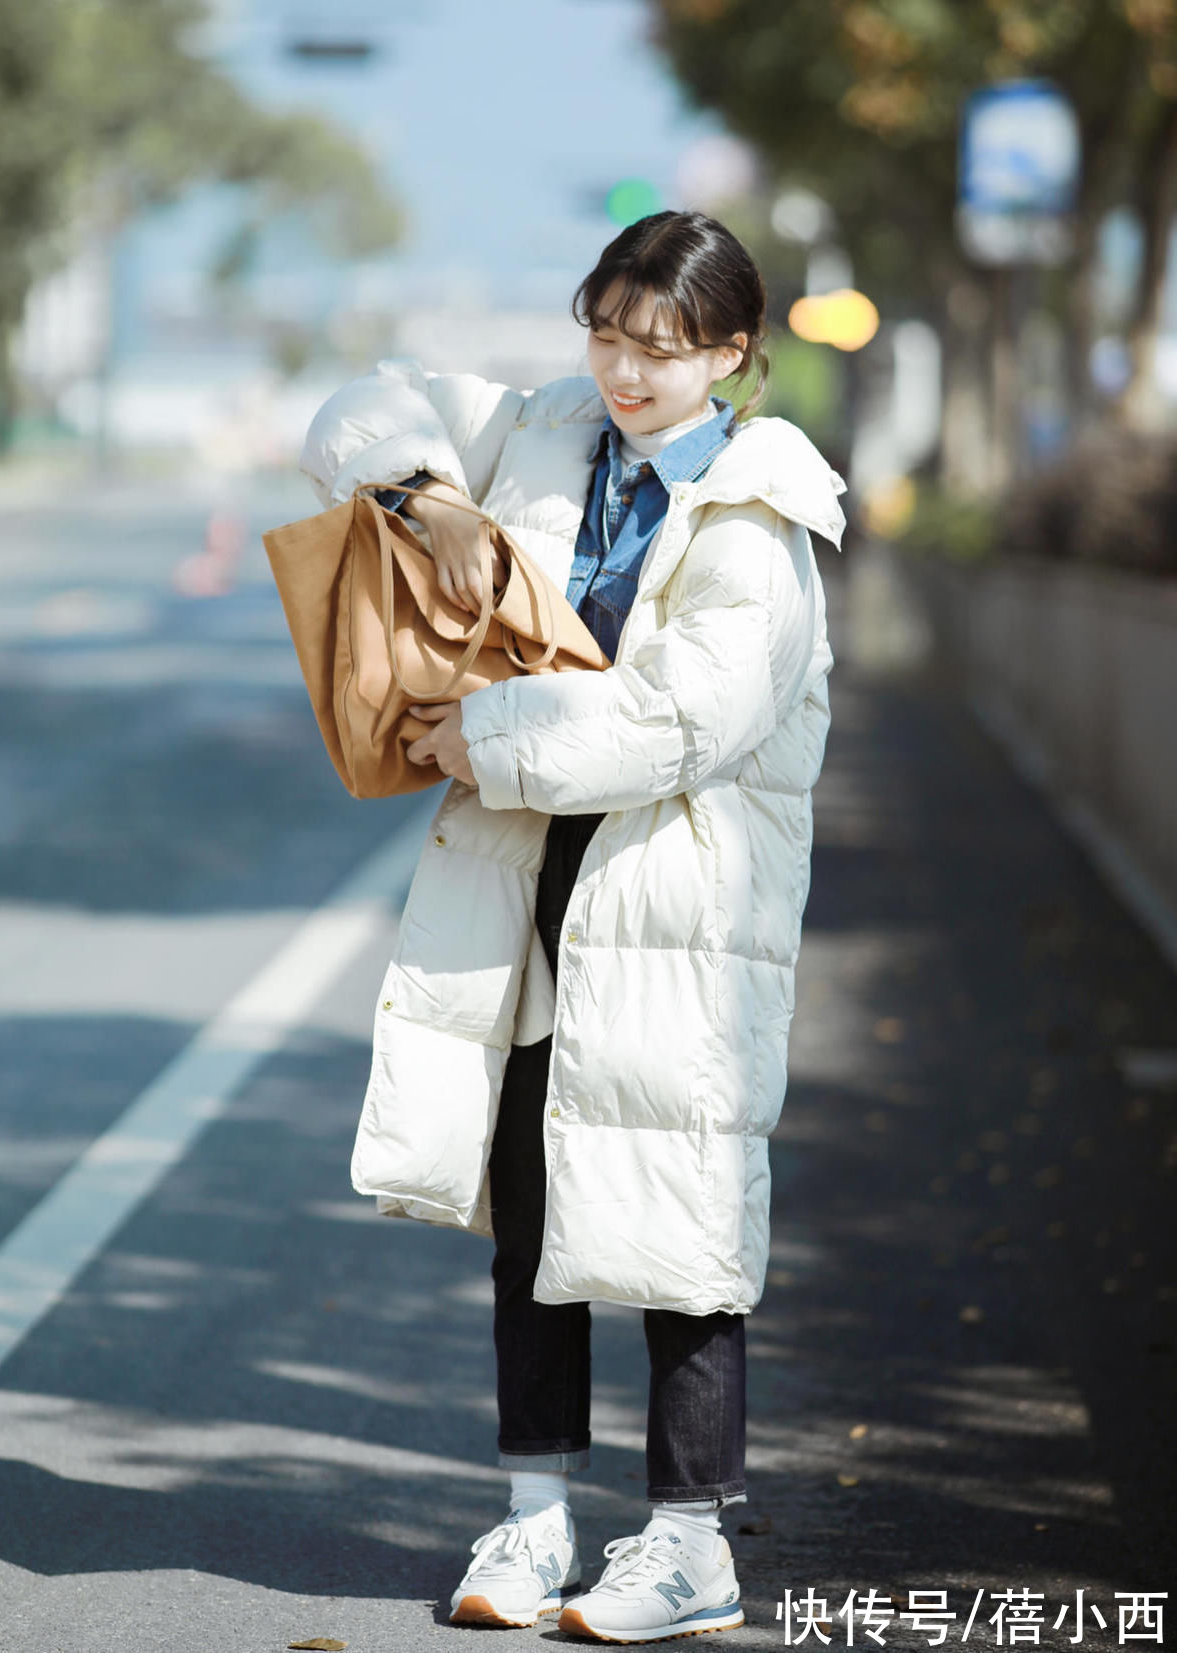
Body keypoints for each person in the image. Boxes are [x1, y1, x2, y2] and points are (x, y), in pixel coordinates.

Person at [299, 210, 846, 1644]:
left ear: (733, 355)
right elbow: (366, 402)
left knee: (681, 1232)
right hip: (536, 907)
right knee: (530, 1225)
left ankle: (688, 1547)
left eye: (658, 349)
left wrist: (483, 740)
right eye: (604, 334)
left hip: (676, 923)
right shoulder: (545, 433)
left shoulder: (761, 524)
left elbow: (681, 720)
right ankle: (535, 1524)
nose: (622, 371)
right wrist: (428, 494)